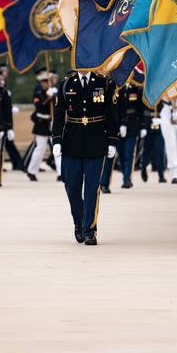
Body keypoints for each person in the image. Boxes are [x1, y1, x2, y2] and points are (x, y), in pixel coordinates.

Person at [51, 68, 120, 246]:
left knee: (92, 187)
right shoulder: (67, 83)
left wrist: (112, 140)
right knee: (71, 185)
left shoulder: (104, 83)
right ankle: (79, 222)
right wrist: (57, 139)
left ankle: (89, 230)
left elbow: (112, 112)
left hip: (97, 138)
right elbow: (59, 113)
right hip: (72, 139)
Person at [25, 71, 55, 181]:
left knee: (58, 149)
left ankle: (61, 173)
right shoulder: (37, 94)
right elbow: (40, 107)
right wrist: (48, 98)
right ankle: (31, 170)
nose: (44, 84)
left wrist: (54, 96)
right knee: (40, 149)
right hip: (42, 123)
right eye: (43, 82)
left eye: (46, 82)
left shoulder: (54, 93)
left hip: (52, 122)